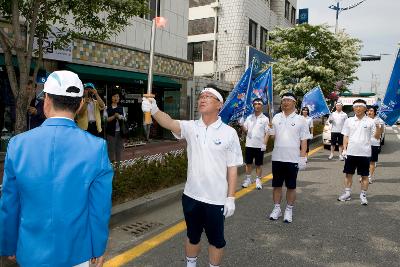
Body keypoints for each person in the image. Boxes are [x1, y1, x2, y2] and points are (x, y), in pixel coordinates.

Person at [0, 70, 114, 267]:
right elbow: (99, 208)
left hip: (30, 252)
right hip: (78, 252)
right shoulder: (96, 147)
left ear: (46, 101)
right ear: (79, 106)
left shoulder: (18, 145)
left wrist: (8, 245)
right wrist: (98, 247)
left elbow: (10, 204)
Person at [141, 84, 243, 267]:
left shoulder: (229, 133)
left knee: (216, 241)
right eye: (201, 96)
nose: (202, 99)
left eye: (208, 97)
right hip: (191, 196)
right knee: (192, 236)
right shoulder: (191, 127)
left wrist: (231, 197)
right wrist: (154, 109)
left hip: (216, 200)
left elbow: (232, 168)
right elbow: (169, 122)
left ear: (219, 104)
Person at [267, 92, 308, 223]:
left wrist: (302, 157)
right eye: (283, 100)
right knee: (277, 185)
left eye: (288, 100)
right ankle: (277, 208)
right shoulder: (276, 118)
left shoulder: (301, 119)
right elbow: (274, 137)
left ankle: (289, 209)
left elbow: (304, 140)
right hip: (277, 157)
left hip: (292, 159)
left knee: (291, 186)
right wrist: (270, 131)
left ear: (294, 103)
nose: (285, 102)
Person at [337, 99, 380, 205]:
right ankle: (347, 193)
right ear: (353, 108)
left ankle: (363, 195)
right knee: (348, 174)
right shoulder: (349, 120)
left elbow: (377, 137)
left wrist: (379, 127)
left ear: (365, 108)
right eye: (356, 106)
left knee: (364, 176)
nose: (358, 108)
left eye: (360, 106)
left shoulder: (371, 121)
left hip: (364, 153)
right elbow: (346, 135)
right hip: (351, 153)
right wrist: (345, 149)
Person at [240, 98, 270, 190]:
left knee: (258, 164)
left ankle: (258, 180)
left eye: (259, 104)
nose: (257, 105)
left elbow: (267, 133)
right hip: (249, 144)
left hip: (259, 145)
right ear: (253, 106)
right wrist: (241, 125)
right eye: (255, 104)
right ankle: (248, 180)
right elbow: (246, 131)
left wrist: (264, 144)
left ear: (262, 106)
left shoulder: (265, 119)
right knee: (248, 163)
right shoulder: (249, 118)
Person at [104, 91, 127, 163]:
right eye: (114, 96)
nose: (116, 98)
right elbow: (105, 120)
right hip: (111, 133)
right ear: (111, 98)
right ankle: (111, 167)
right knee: (111, 150)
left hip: (120, 132)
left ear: (119, 98)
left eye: (117, 96)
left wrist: (120, 117)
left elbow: (125, 118)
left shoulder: (122, 108)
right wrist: (114, 116)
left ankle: (118, 167)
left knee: (119, 150)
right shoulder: (107, 108)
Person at [365, 105, 384, 184]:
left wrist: (379, 126)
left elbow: (381, 132)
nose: (369, 112)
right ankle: (364, 176)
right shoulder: (364, 120)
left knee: (372, 161)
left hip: (374, 143)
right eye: (368, 111)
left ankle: (369, 177)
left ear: (375, 112)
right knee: (365, 161)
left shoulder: (379, 120)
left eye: (371, 111)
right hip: (364, 143)